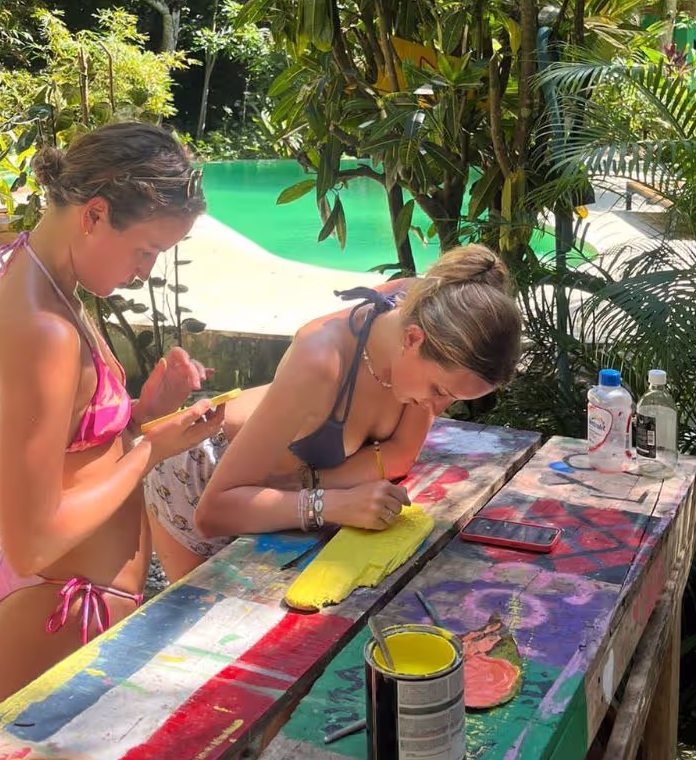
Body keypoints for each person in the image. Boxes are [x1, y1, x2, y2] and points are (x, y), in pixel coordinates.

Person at [0, 122, 224, 709]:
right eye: (146, 250)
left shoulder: (36, 278)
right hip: (56, 612)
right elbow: (32, 542)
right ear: (95, 215)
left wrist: (145, 411)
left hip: (50, 599)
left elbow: (62, 442)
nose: (145, 271)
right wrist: (149, 450)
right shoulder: (44, 330)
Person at [146, 243, 522, 584]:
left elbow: (402, 454)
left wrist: (306, 484)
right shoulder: (322, 357)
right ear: (412, 339)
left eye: (452, 399)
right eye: (439, 391)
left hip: (272, 488)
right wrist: (330, 502)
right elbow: (215, 511)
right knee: (205, 621)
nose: (437, 410)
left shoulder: (428, 311)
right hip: (199, 471)